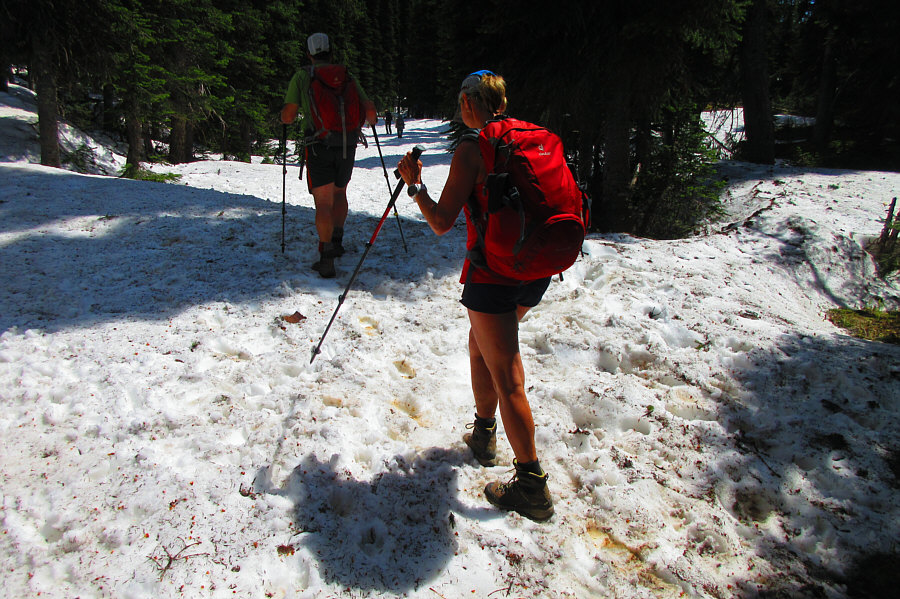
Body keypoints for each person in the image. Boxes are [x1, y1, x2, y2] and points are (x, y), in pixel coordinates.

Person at [396, 71, 554, 522]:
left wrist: (415, 186)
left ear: (468, 103)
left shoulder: (473, 148)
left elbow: (441, 222)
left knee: (507, 374)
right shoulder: (529, 137)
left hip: (495, 273)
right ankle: (484, 435)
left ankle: (532, 487)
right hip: (536, 265)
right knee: (480, 345)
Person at [281, 33, 377, 278]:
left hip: (318, 145)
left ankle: (326, 259)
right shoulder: (347, 75)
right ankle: (337, 240)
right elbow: (371, 112)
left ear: (309, 54)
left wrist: (283, 115)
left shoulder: (303, 76)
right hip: (347, 145)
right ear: (331, 52)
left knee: (323, 202)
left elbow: (288, 116)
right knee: (340, 193)